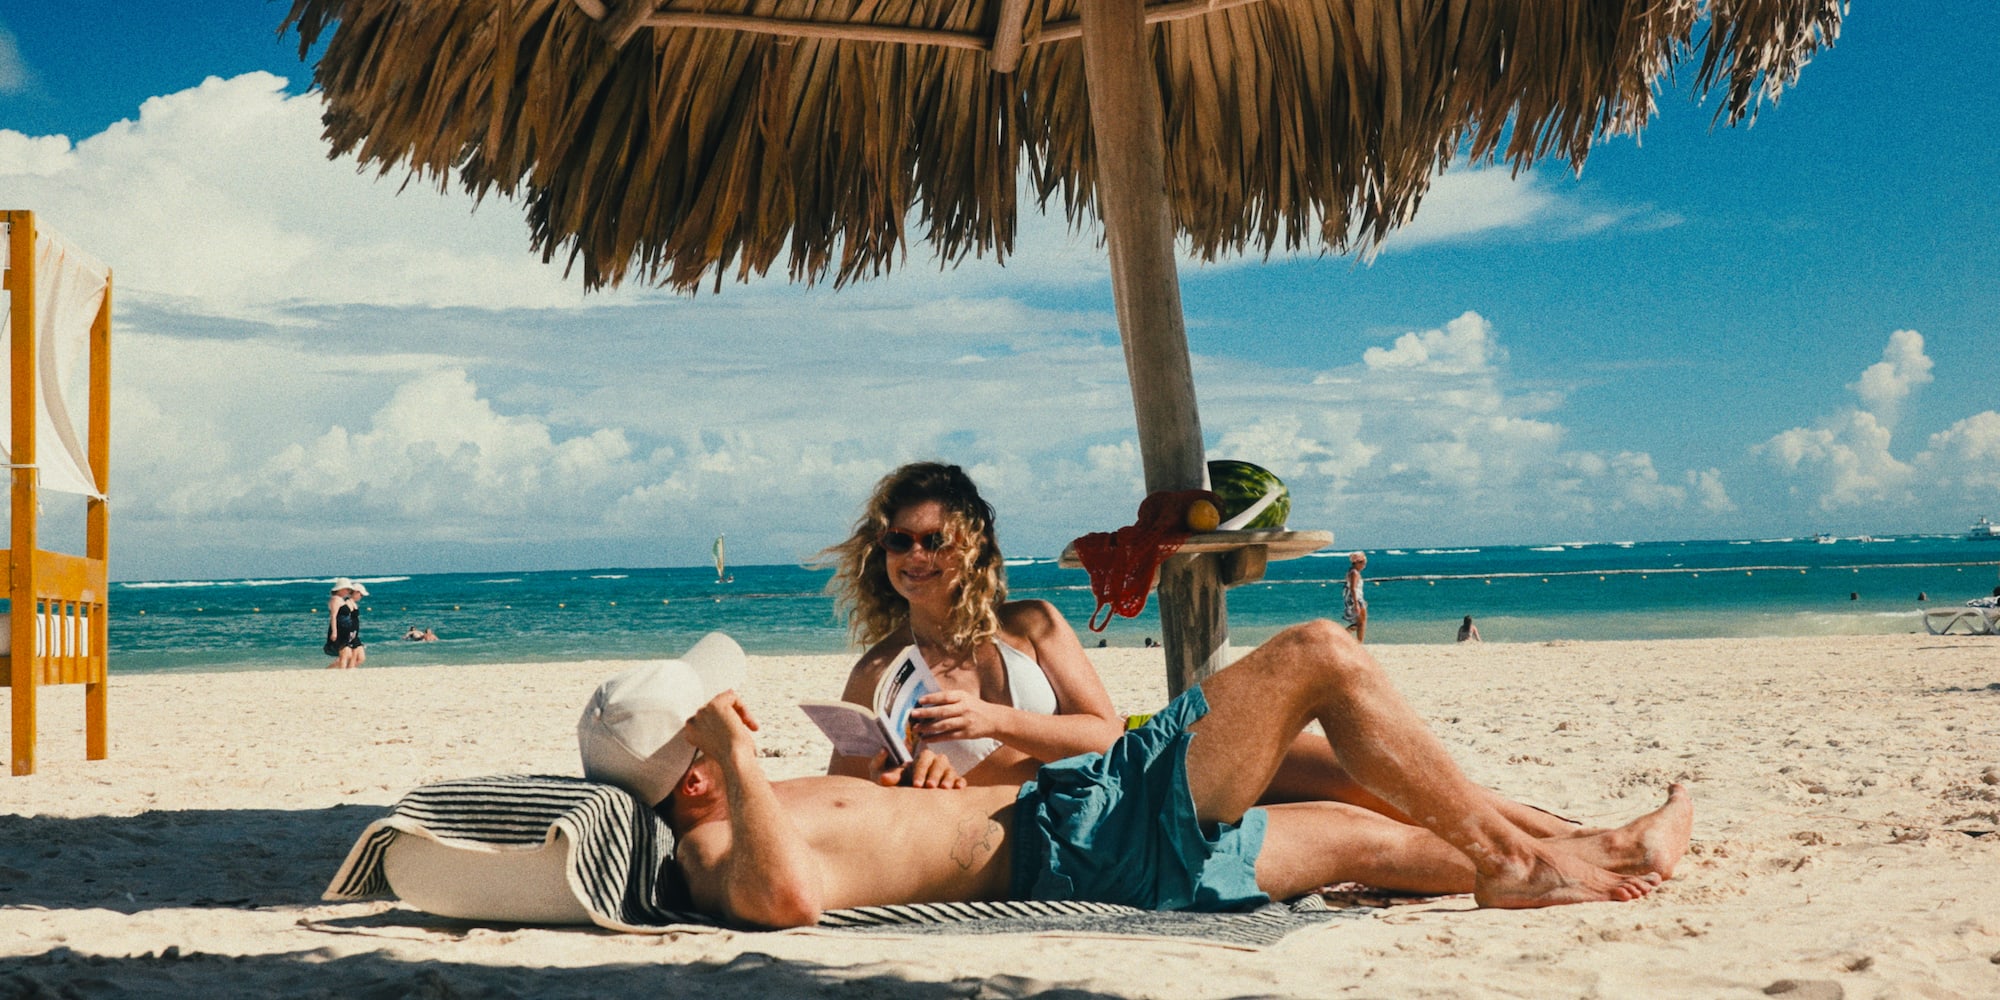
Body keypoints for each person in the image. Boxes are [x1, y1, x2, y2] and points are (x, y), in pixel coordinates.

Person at [579, 625, 1691, 928]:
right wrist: (731, 758)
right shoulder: (715, 849)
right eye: (717, 717)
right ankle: (1517, 862)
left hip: (1083, 825)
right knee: (1315, 658)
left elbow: (852, 842)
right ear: (689, 778)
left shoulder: (741, 811)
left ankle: (1578, 849)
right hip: (1087, 842)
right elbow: (787, 900)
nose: (743, 717)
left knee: (1360, 836)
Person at [816, 462, 1584, 838]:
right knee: (1346, 801)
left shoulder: (1032, 624)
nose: (915, 556)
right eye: (898, 541)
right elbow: (854, 799)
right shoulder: (878, 670)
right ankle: (1551, 844)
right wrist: (912, 776)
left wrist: (989, 719)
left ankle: (1568, 834)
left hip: (1136, 758)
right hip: (1084, 818)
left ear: (970, 545)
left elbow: (1103, 732)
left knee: (1345, 772)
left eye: (933, 539)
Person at [324, 579, 368, 669]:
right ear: (341, 589)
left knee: (348, 655)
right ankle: (336, 672)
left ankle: (343, 672)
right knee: (345, 655)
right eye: (347, 589)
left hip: (347, 630)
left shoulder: (341, 600)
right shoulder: (335, 600)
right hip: (340, 630)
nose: (348, 592)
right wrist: (334, 632)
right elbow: (333, 616)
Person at [1343, 551, 1368, 642]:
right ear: (1357, 562)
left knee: (1359, 623)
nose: (1364, 566)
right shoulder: (1354, 573)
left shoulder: (1352, 571)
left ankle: (1343, 635)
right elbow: (1353, 588)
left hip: (1355, 598)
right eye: (1363, 563)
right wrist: (1357, 603)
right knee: (1361, 623)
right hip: (1355, 599)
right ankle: (1359, 642)